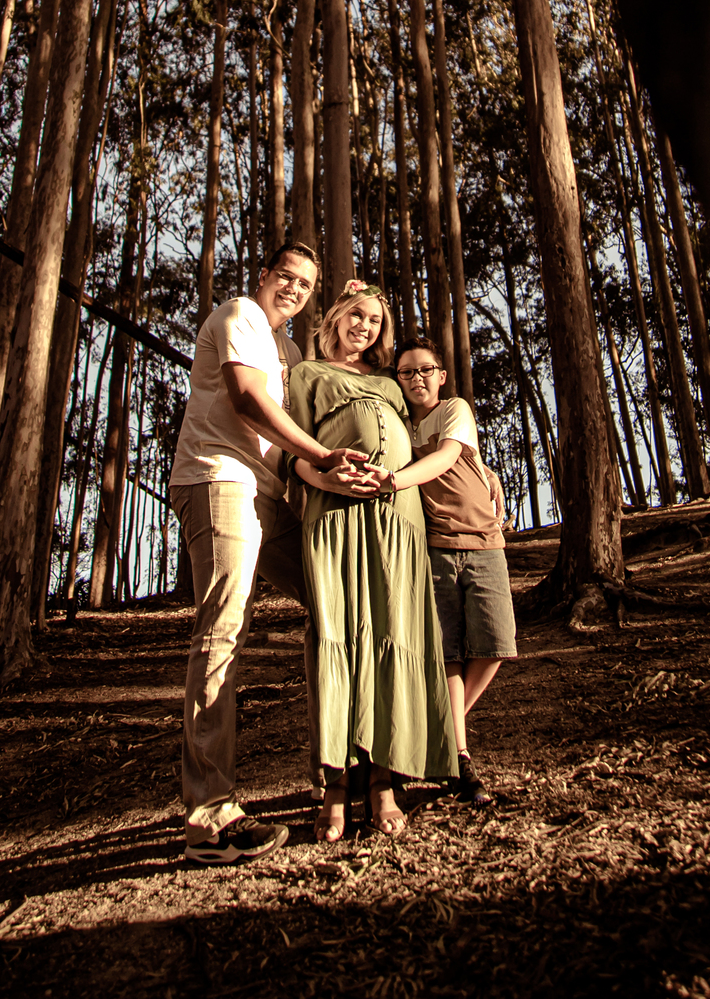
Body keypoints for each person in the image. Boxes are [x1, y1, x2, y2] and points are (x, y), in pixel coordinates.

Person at [169, 243, 379, 865]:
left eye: (306, 283)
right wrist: (320, 456)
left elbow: (296, 435)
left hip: (267, 492)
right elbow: (246, 401)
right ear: (264, 276)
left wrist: (335, 470)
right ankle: (210, 819)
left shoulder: (289, 352)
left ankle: (341, 771)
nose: (293, 287)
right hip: (217, 479)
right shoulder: (239, 315)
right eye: (285, 275)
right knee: (224, 629)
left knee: (332, 602)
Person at [287, 281, 459, 842]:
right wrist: (327, 475)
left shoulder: (390, 383)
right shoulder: (307, 375)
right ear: (335, 317)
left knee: (394, 635)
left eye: (375, 321)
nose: (365, 327)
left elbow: (432, 429)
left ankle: (384, 781)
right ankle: (335, 787)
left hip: (398, 517)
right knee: (339, 639)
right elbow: (297, 458)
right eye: (356, 316)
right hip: (336, 515)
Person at [395, 336, 517, 807]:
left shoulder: (454, 409)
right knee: (448, 655)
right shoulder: (401, 425)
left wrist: (394, 478)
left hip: (485, 542)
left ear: (441, 375)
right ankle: (458, 755)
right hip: (435, 550)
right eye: (407, 372)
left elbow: (450, 455)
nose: (417, 378)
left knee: (495, 643)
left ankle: (433, 738)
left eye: (425, 369)